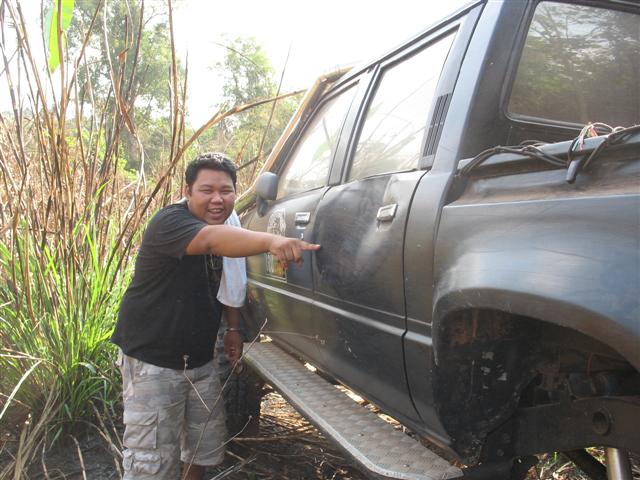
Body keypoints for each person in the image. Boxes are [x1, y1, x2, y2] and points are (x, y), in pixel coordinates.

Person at [110, 152, 319, 480]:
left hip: (199, 359)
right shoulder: (171, 223)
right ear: (187, 191)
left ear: (236, 192)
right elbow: (211, 242)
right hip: (153, 361)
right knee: (151, 462)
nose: (217, 199)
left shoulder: (229, 224)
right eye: (206, 190)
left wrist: (233, 328)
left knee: (203, 447)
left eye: (226, 191)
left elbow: (231, 276)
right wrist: (272, 241)